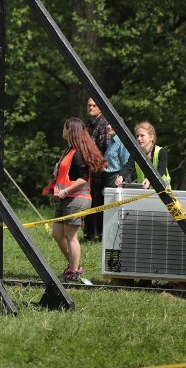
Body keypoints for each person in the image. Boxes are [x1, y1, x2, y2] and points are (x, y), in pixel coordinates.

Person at [42, 117, 106, 282]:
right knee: (57, 234)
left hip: (77, 199)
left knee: (71, 236)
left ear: (70, 130)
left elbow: (84, 178)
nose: (62, 130)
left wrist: (66, 191)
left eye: (64, 127)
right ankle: (73, 267)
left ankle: (74, 271)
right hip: (65, 198)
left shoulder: (78, 153)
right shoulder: (69, 150)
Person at [84, 97, 109, 241]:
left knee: (98, 204)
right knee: (88, 203)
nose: (91, 108)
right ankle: (88, 234)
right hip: (88, 171)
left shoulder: (104, 124)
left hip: (100, 172)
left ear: (100, 108)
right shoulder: (88, 124)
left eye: (94, 105)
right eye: (89, 105)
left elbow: (104, 151)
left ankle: (98, 235)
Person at [121, 121, 172, 189]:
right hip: (144, 193)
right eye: (137, 136)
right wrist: (121, 176)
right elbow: (128, 166)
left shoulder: (161, 151)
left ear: (151, 137)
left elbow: (161, 170)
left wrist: (150, 180)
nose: (139, 138)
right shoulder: (136, 153)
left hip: (163, 194)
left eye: (142, 135)